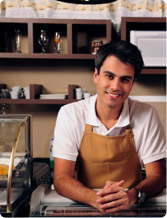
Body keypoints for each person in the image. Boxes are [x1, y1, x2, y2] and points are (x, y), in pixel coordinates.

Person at [52, 40, 166, 213]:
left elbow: (157, 177)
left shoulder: (147, 115)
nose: (115, 87)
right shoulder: (70, 114)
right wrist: (96, 199)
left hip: (131, 207)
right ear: (96, 75)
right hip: (85, 205)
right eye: (109, 76)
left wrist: (133, 195)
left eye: (125, 79)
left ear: (132, 83)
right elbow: (61, 178)